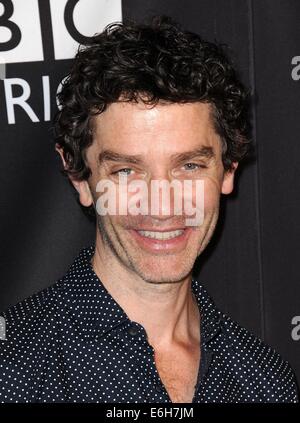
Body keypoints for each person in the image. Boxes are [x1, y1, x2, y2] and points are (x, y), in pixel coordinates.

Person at [0, 16, 298, 403]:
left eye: (189, 166)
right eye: (126, 171)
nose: (162, 204)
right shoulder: (12, 370)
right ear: (79, 177)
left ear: (228, 171)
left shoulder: (265, 380)